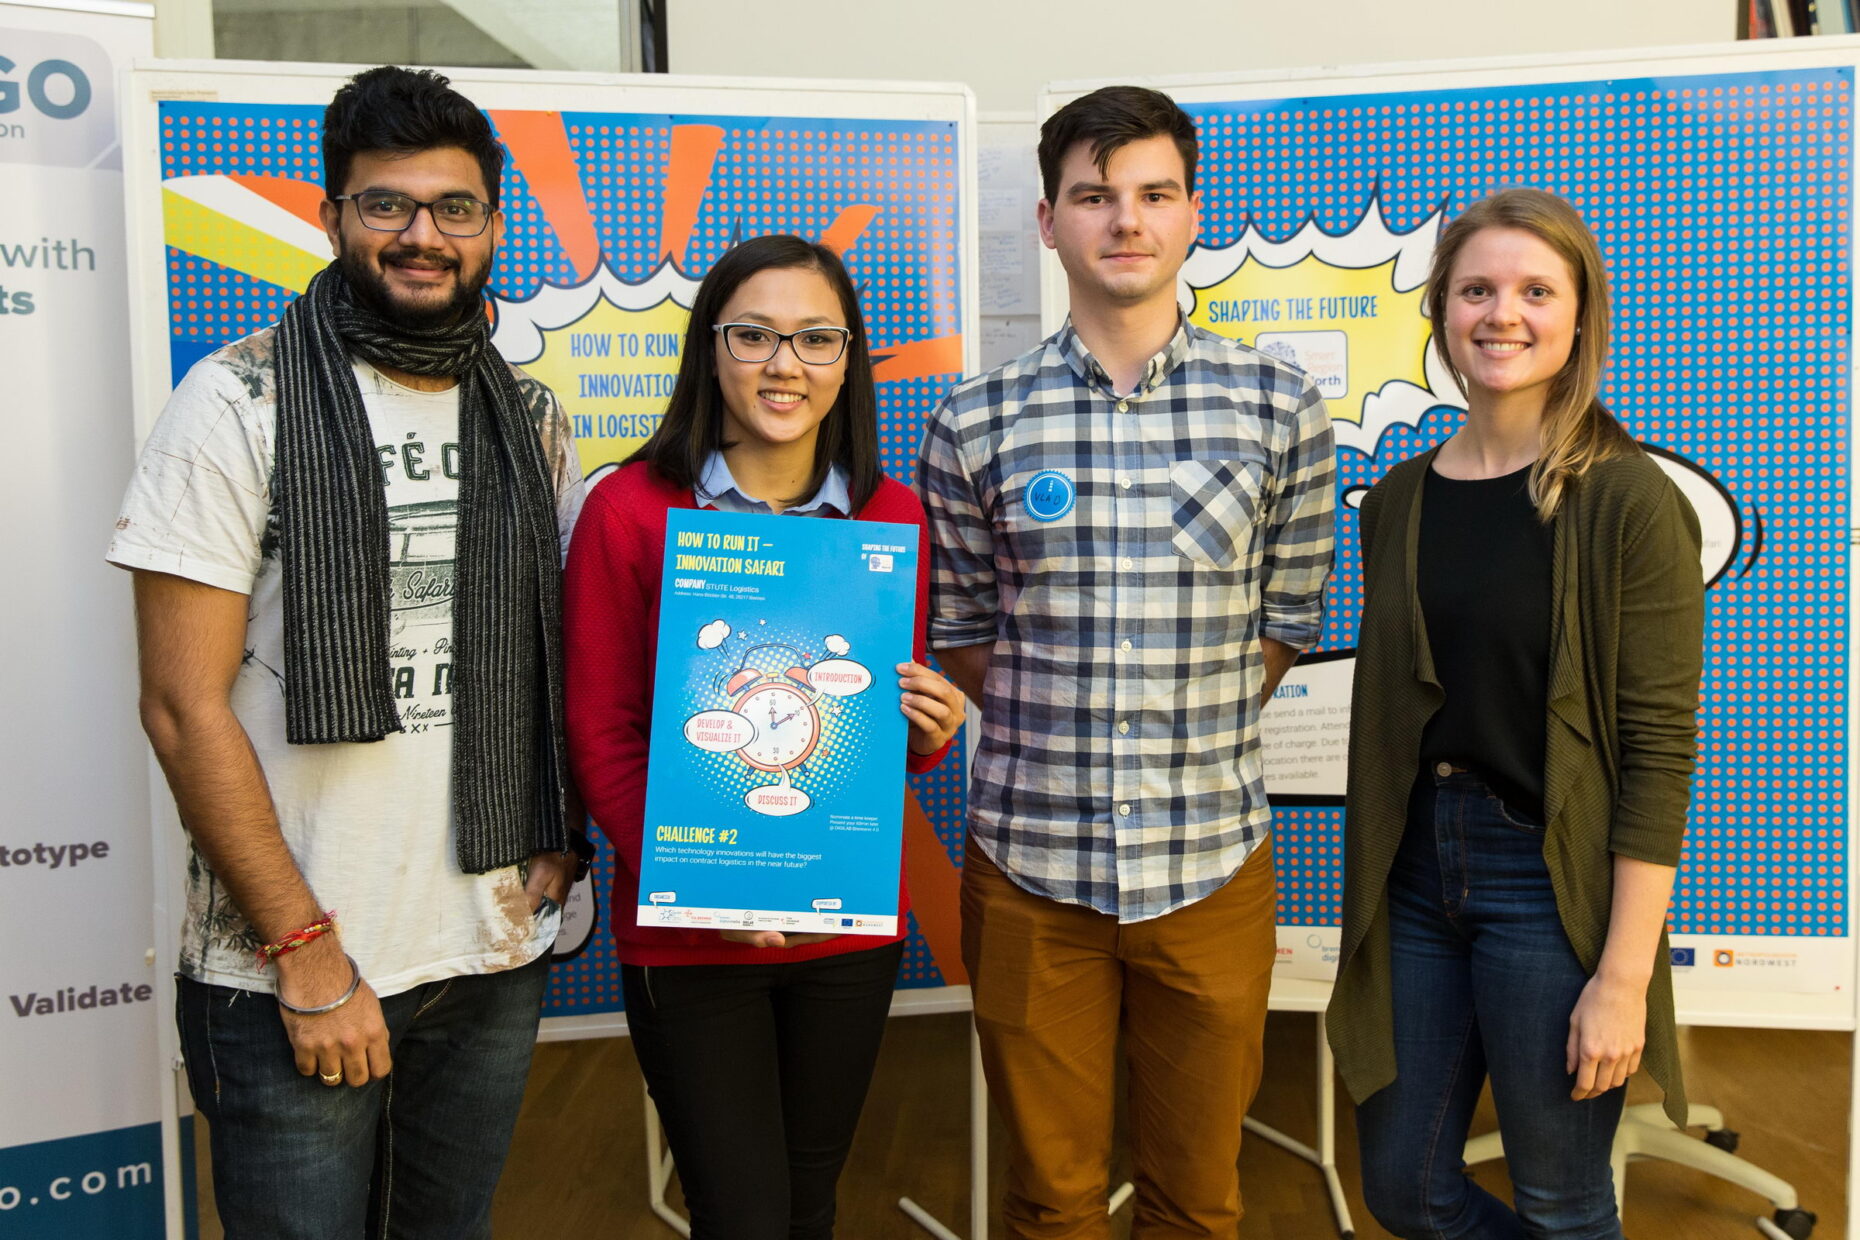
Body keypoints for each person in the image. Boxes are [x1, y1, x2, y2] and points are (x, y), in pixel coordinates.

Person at [108, 66, 589, 1238]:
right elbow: (181, 706)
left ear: (491, 225)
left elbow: (550, 656)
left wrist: (556, 831)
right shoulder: (237, 402)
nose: (422, 236)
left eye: (454, 208)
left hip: (486, 953)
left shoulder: (529, 419)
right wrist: (308, 952)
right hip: (290, 970)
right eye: (387, 204)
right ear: (333, 215)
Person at [919, 85, 1336, 1237]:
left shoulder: (1280, 406)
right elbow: (963, 630)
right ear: (1047, 220)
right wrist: (1078, 726)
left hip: (1208, 866)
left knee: (1198, 1197)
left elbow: (1285, 617)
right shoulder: (974, 422)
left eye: (1154, 194)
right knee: (1049, 1200)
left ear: (1193, 213)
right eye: (1094, 196)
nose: (1126, 220)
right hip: (1026, 869)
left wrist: (1163, 719)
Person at [562, 233, 964, 1240]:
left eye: (816, 339)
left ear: (847, 361)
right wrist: (700, 885)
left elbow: (879, 740)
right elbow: (600, 729)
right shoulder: (630, 509)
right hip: (691, 935)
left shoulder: (892, 518)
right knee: (741, 1215)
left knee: (811, 1196)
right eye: (755, 335)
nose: (786, 364)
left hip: (845, 930)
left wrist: (929, 730)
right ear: (712, 348)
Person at [1328, 187, 1705, 1239]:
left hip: (1546, 881)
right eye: (1478, 289)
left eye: (1538, 290)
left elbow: (1658, 754)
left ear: (1580, 316)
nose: (1505, 313)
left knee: (1562, 1199)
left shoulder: (1628, 499)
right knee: (1404, 1188)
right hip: (1413, 879)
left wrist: (1623, 975)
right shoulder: (1400, 498)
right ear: (1442, 311)